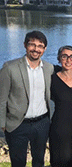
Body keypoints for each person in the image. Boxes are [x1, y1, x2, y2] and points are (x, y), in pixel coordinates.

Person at [0, 31, 54, 166]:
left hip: (42, 123)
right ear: (25, 45)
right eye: (32, 45)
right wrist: (2, 124)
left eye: (40, 46)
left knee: (39, 161)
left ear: (44, 49)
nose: (36, 49)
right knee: (18, 163)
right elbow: (2, 99)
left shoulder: (49, 68)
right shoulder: (10, 67)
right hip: (17, 124)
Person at [49, 46, 72, 166]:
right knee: (60, 161)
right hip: (60, 126)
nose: (68, 60)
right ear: (59, 59)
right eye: (64, 56)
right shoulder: (52, 79)